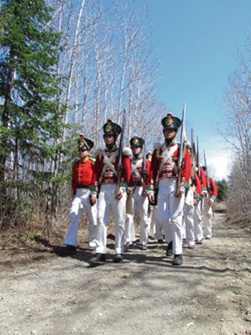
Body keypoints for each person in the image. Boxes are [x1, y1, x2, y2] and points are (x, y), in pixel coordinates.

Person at [147, 112, 191, 265]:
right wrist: (150, 189)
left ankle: (178, 253)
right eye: (166, 130)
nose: (168, 133)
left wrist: (183, 185)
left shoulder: (182, 148)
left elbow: (187, 168)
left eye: (171, 130)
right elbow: (152, 170)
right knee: (162, 217)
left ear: (175, 132)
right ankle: (171, 240)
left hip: (176, 184)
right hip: (162, 185)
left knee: (177, 219)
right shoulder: (158, 151)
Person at [88, 119, 131, 266]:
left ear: (115, 137)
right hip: (104, 188)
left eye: (110, 136)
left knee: (119, 220)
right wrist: (93, 191)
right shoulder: (100, 155)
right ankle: (100, 251)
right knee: (100, 218)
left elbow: (128, 172)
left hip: (117, 188)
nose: (107, 138)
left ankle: (119, 249)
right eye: (106, 136)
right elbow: (95, 173)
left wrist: (123, 187)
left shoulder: (122, 153)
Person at [62, 134, 97, 254]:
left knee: (93, 218)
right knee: (73, 214)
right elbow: (73, 180)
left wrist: (94, 193)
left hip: (90, 192)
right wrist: (73, 192)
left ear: (88, 151)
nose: (80, 152)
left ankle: (93, 242)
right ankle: (70, 243)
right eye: (80, 150)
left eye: (83, 150)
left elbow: (96, 178)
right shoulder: (76, 164)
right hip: (78, 193)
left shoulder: (93, 163)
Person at [125, 136, 151, 250]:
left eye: (137, 147)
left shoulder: (146, 163)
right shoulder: (128, 162)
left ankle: (144, 241)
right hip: (130, 190)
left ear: (141, 148)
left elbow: (150, 178)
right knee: (128, 216)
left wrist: (148, 189)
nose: (135, 149)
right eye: (133, 147)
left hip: (142, 190)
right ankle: (129, 239)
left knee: (144, 217)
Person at [201, 166, 218, 239]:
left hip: (207, 198)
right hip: (199, 196)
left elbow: (214, 191)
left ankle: (208, 233)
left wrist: (212, 199)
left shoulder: (209, 179)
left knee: (207, 216)